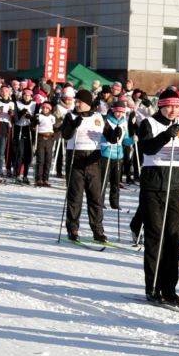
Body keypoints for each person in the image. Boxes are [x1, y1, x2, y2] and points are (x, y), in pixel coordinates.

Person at [135, 86, 179, 305]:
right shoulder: (149, 123)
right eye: (170, 107)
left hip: (174, 186)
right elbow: (148, 149)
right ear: (161, 107)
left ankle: (169, 288)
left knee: (174, 238)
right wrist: (166, 135)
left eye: (177, 107)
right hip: (153, 187)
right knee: (155, 236)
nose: (174, 111)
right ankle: (153, 287)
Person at [59, 89, 120, 244]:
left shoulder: (99, 117)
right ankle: (72, 229)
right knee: (75, 198)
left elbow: (110, 137)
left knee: (95, 198)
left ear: (88, 103)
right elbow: (65, 135)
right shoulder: (70, 116)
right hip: (75, 160)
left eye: (80, 102)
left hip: (94, 160)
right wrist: (72, 125)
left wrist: (116, 133)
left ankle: (98, 230)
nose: (77, 104)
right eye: (76, 101)